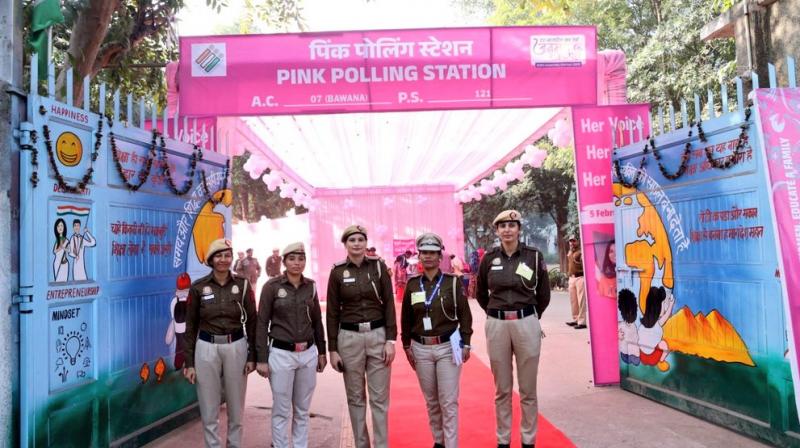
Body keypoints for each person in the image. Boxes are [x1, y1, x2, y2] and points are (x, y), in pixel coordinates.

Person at [476, 210, 550, 448]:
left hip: (526, 323)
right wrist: (495, 313)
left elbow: (544, 294)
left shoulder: (533, 256)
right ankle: (503, 440)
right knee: (502, 390)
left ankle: (528, 440)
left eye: (511, 225)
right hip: (497, 324)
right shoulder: (489, 258)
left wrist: (529, 316)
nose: (507, 229)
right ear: (497, 231)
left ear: (519, 229)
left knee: (528, 390)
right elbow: (480, 293)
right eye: (502, 226)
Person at [326, 225, 396, 448]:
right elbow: (332, 312)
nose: (357, 244)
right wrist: (333, 349)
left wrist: (390, 340)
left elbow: (389, 304)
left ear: (366, 243)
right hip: (349, 339)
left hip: (377, 336)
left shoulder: (378, 267)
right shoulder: (337, 272)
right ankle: (361, 444)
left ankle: (382, 445)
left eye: (360, 239)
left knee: (379, 399)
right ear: (345, 244)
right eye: (352, 240)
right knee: (355, 398)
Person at [183, 238, 257, 448]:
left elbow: (253, 321)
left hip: (236, 346)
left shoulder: (242, 285)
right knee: (209, 408)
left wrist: (252, 356)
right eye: (219, 256)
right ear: (211, 260)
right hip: (206, 348)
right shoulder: (198, 287)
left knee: (236, 408)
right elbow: (190, 327)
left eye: (227, 255)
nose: (224, 259)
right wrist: (189, 363)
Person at [401, 233, 472, 448]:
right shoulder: (413, 284)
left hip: (448, 347)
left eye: (433, 252)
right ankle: (438, 442)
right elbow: (406, 318)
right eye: (424, 252)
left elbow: (465, 315)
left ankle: (451, 444)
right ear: (419, 256)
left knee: (448, 402)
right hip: (421, 349)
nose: (428, 256)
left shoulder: (452, 282)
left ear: (440, 256)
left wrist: (466, 341)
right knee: (432, 402)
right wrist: (406, 345)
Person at [256, 242, 327, 448]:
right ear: (284, 262)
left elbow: (317, 321)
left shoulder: (311, 286)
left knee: (302, 409)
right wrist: (261, 358)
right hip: (281, 354)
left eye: (301, 259)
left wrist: (322, 352)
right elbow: (262, 323)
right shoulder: (271, 287)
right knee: (281, 409)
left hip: (308, 353)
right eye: (292, 259)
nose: (297, 263)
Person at [566, 235, 587, 330]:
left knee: (581, 300)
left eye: (574, 241)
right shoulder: (570, 252)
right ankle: (576, 319)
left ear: (578, 241)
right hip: (572, 278)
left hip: (580, 277)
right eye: (570, 241)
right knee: (573, 300)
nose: (572, 243)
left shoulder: (581, 252)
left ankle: (582, 322)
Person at [53, 218, 70, 282]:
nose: (60, 227)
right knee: (57, 281)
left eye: (61, 225)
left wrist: (63, 248)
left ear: (64, 227)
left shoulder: (66, 240)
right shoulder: (57, 240)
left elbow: (69, 250)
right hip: (57, 263)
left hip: (64, 263)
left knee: (63, 281)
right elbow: (54, 251)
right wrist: (60, 248)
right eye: (58, 226)